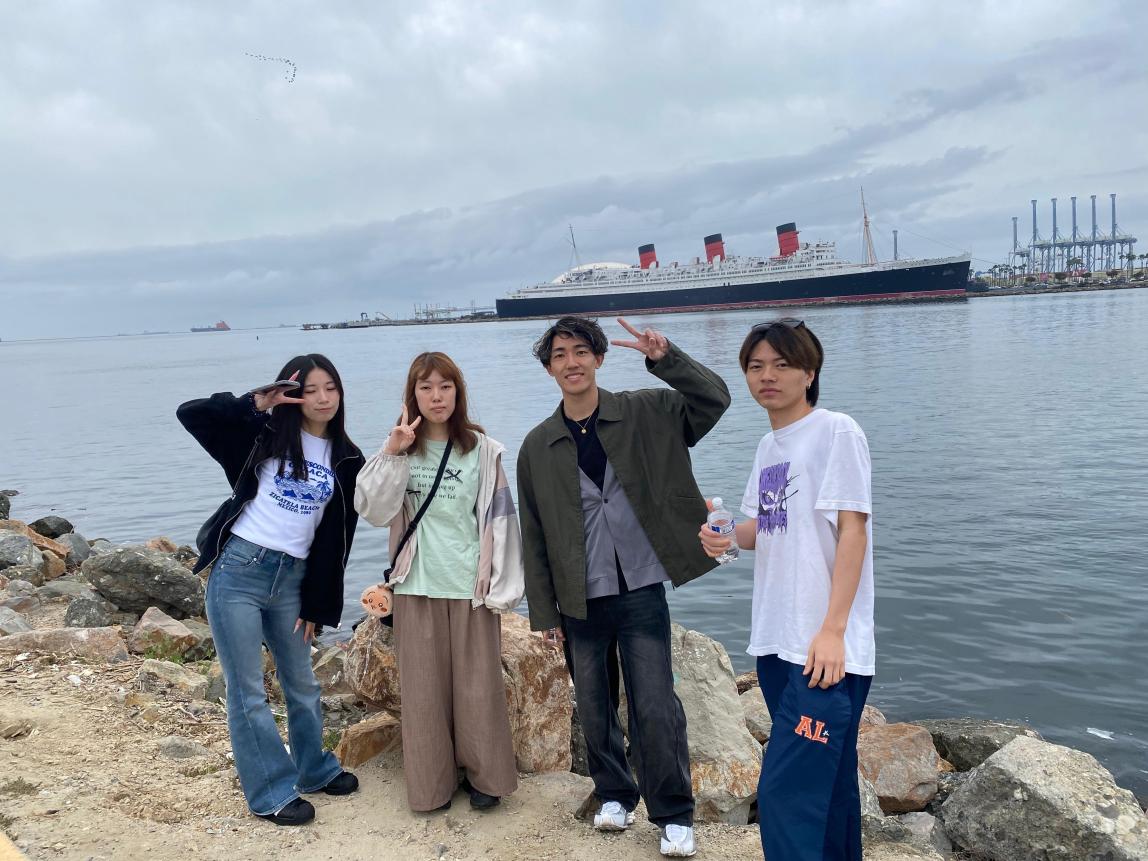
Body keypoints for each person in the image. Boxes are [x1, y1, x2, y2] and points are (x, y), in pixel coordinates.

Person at [517, 316, 730, 858]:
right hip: (579, 595)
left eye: (581, 350)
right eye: (560, 354)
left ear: (600, 358)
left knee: (656, 704)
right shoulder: (537, 446)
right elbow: (534, 534)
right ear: (548, 369)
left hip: (640, 586)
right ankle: (614, 793)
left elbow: (714, 400)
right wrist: (545, 616)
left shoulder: (645, 410)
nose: (572, 362)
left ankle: (674, 814)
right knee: (593, 706)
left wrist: (666, 358)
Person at [698, 318, 875, 861]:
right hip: (777, 642)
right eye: (756, 367)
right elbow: (762, 528)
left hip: (821, 649)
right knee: (831, 787)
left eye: (781, 364)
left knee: (785, 793)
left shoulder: (835, 431)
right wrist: (723, 537)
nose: (767, 376)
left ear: (809, 372)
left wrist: (833, 630)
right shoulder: (769, 447)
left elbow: (853, 529)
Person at [177, 353, 365, 826]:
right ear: (294, 394)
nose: (322, 398)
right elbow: (192, 414)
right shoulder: (262, 434)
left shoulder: (348, 457)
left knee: (302, 682)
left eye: (331, 388)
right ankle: (272, 792)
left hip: (293, 580)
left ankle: (314, 769)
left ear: (340, 394)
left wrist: (320, 602)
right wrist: (253, 404)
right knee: (247, 691)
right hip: (239, 570)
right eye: (310, 389)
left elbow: (337, 539)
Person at [354, 352, 523, 813]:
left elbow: (502, 521)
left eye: (445, 386)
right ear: (413, 395)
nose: (436, 396)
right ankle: (431, 786)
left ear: (458, 392)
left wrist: (503, 587)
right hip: (414, 585)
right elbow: (373, 510)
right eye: (425, 387)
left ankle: (487, 779)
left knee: (478, 688)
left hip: (469, 584)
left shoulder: (483, 450)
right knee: (424, 693)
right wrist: (391, 452)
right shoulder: (399, 449)